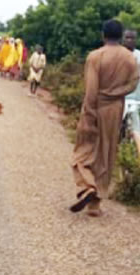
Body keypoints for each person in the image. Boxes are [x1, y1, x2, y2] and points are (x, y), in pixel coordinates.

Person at [71, 19, 139, 216]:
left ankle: (87, 186)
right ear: (120, 36)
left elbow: (91, 89)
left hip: (95, 106)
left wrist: (90, 114)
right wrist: (116, 93)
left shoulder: (95, 56)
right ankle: (95, 204)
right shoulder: (130, 59)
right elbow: (133, 84)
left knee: (82, 151)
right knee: (106, 152)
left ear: (103, 35)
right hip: (116, 107)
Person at [122, 29, 140, 157]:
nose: (130, 40)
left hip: (135, 99)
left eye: (132, 38)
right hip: (119, 99)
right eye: (127, 38)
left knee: (136, 131)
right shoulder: (118, 54)